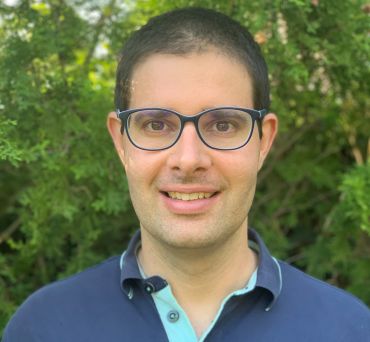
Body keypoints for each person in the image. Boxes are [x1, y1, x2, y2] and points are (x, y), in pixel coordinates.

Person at [3, 7, 370, 342]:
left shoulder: (348, 330)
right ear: (121, 141)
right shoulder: (44, 327)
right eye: (157, 124)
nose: (188, 159)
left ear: (263, 140)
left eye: (223, 124)